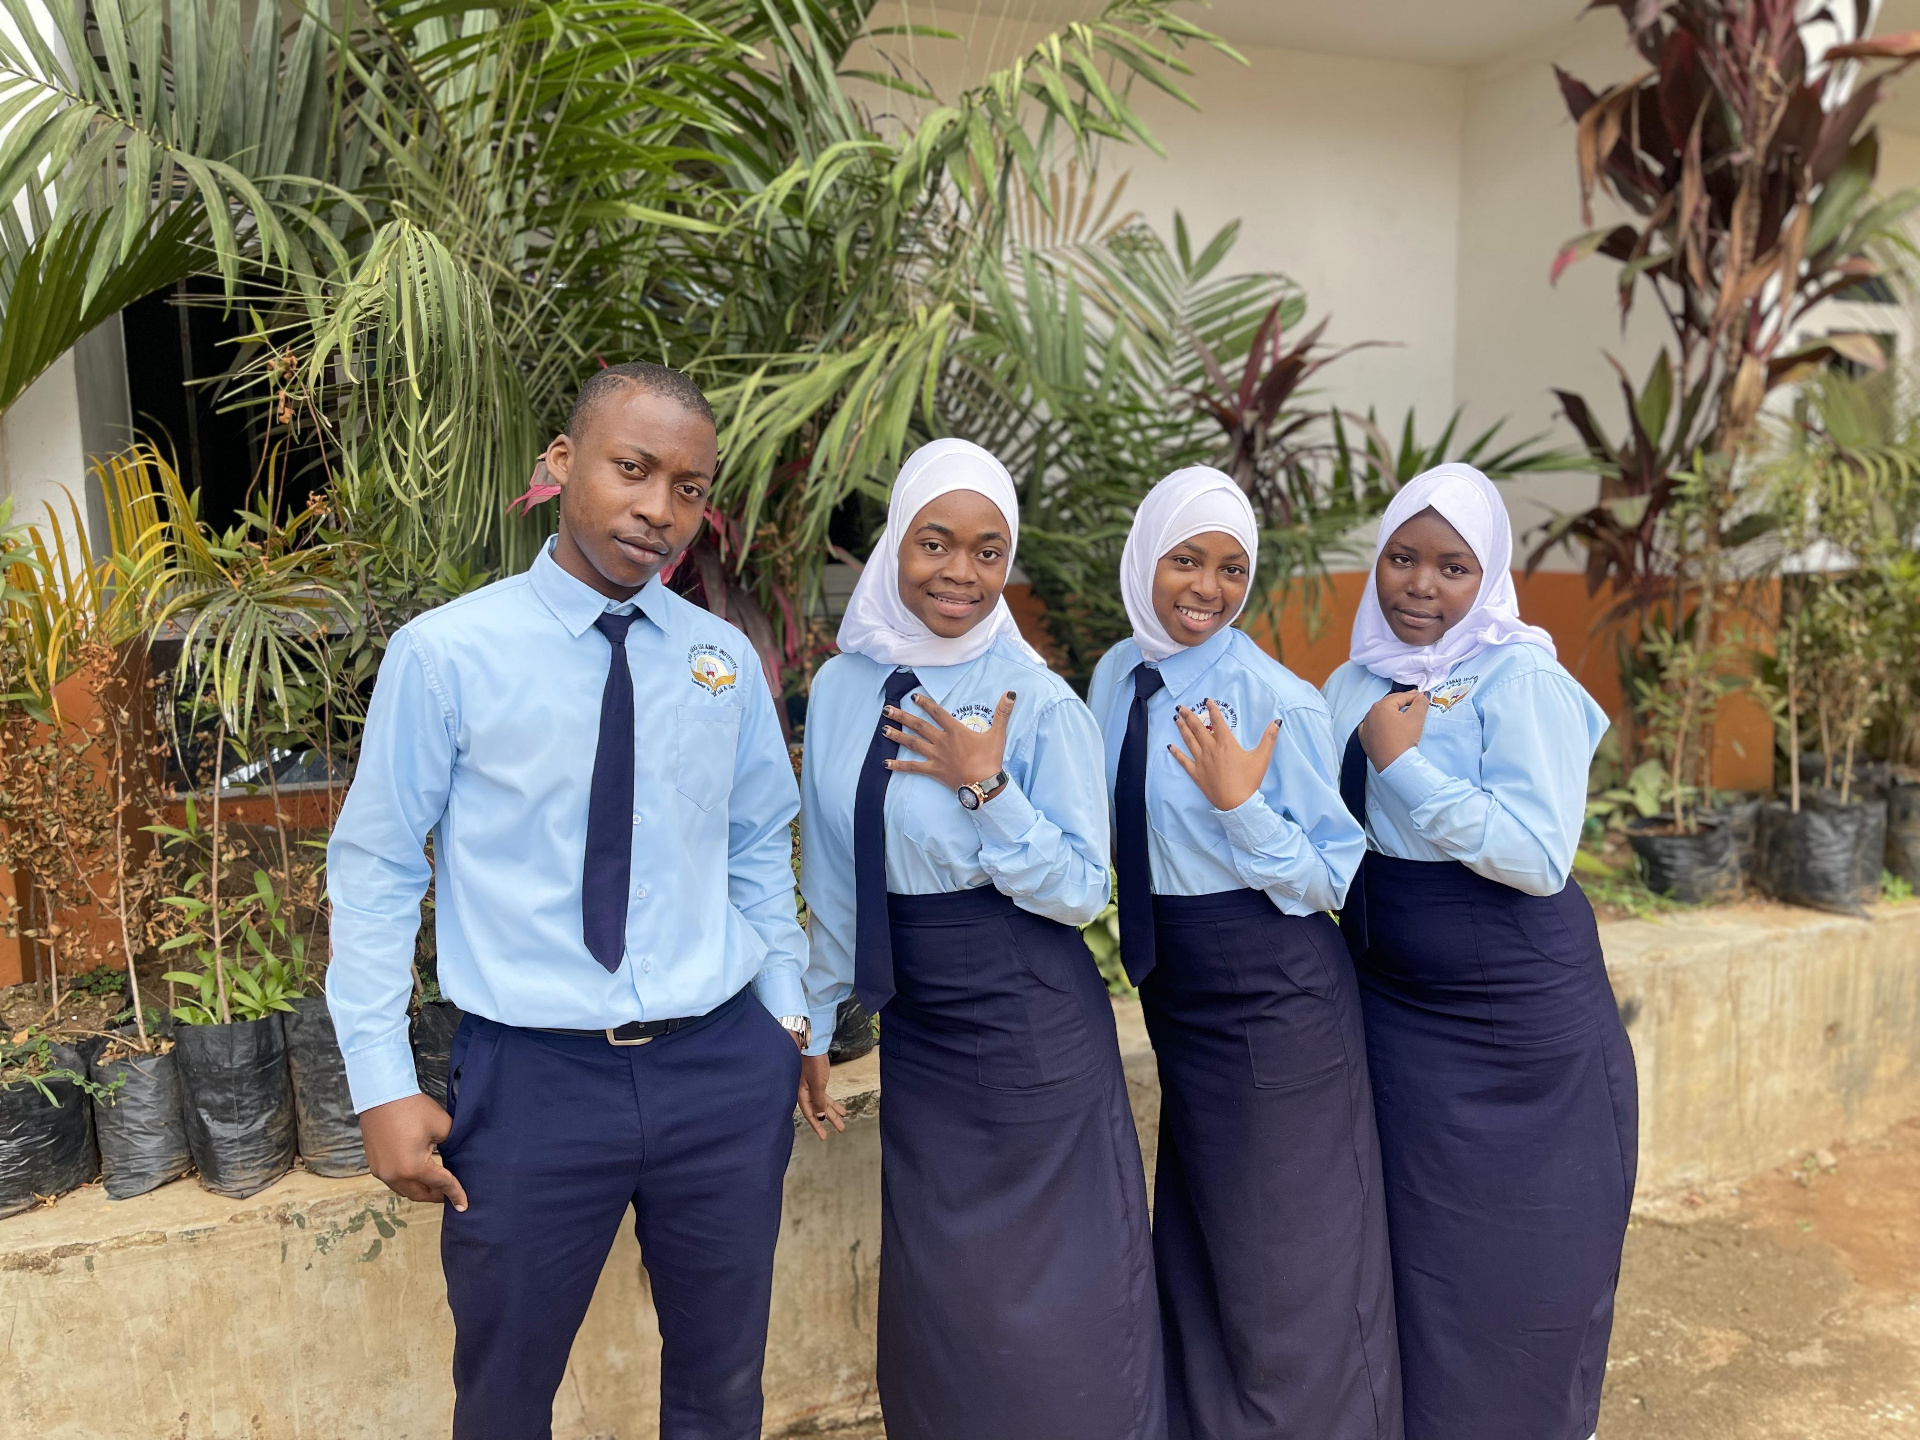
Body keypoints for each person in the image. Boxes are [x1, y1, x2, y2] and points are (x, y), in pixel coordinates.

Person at [327, 362, 822, 1440]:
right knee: (504, 1394)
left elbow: (754, 849)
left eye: (689, 488)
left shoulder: (720, 662)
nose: (658, 510)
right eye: (632, 470)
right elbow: (376, 866)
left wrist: (788, 1018)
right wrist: (378, 1081)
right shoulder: (448, 656)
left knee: (723, 1384)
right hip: (534, 1080)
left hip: (721, 1072)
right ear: (561, 465)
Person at [797, 438, 1163, 1440]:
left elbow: (1085, 891)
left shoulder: (1035, 700)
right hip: (921, 1032)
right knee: (945, 1308)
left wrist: (987, 787)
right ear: (894, 547)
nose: (960, 573)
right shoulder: (841, 690)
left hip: (1028, 1025)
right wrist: (817, 1024)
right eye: (935, 543)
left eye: (988, 551)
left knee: (1054, 1315)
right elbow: (835, 872)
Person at [1321, 463, 1637, 1440]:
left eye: (1453, 566)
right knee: (1422, 1265)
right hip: (1395, 1015)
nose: (1421, 585)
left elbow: (1539, 856)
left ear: (1488, 573)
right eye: (1403, 559)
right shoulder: (1350, 682)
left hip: (1522, 1021)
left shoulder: (1522, 677)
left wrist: (1404, 766)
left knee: (1531, 1272)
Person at [1086, 466, 1401, 1440]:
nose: (1208, 588)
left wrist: (1242, 806)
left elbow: (1334, 873)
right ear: (1146, 558)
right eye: (1187, 560)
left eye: (1231, 568)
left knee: (1290, 1259)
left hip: (1276, 999)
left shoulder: (1277, 700)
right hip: (1178, 993)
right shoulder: (1110, 678)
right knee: (1205, 1236)